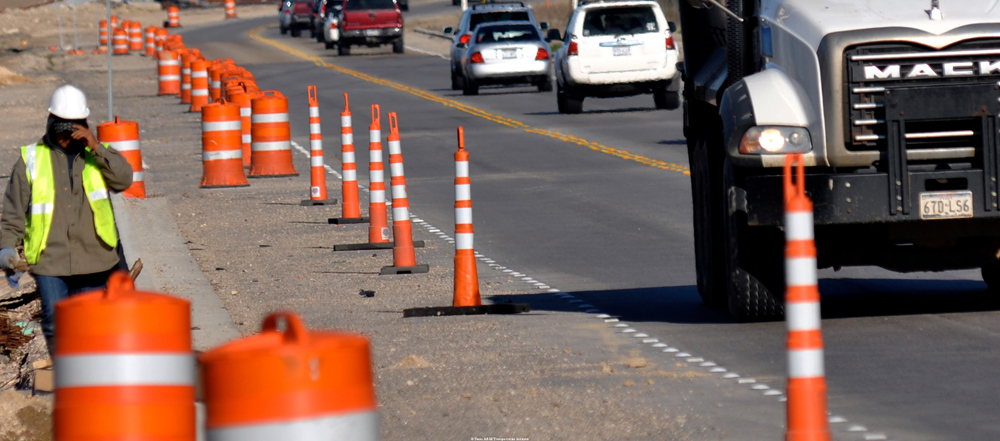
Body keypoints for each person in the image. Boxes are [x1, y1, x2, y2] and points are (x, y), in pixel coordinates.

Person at [0, 85, 133, 355]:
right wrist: (7, 249)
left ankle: (86, 380)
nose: (67, 135)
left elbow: (124, 179)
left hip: (94, 257)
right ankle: (67, 378)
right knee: (55, 322)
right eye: (62, 127)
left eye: (73, 127)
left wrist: (95, 146)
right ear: (50, 121)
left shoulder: (97, 155)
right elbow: (14, 210)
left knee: (88, 325)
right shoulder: (31, 159)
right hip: (50, 260)